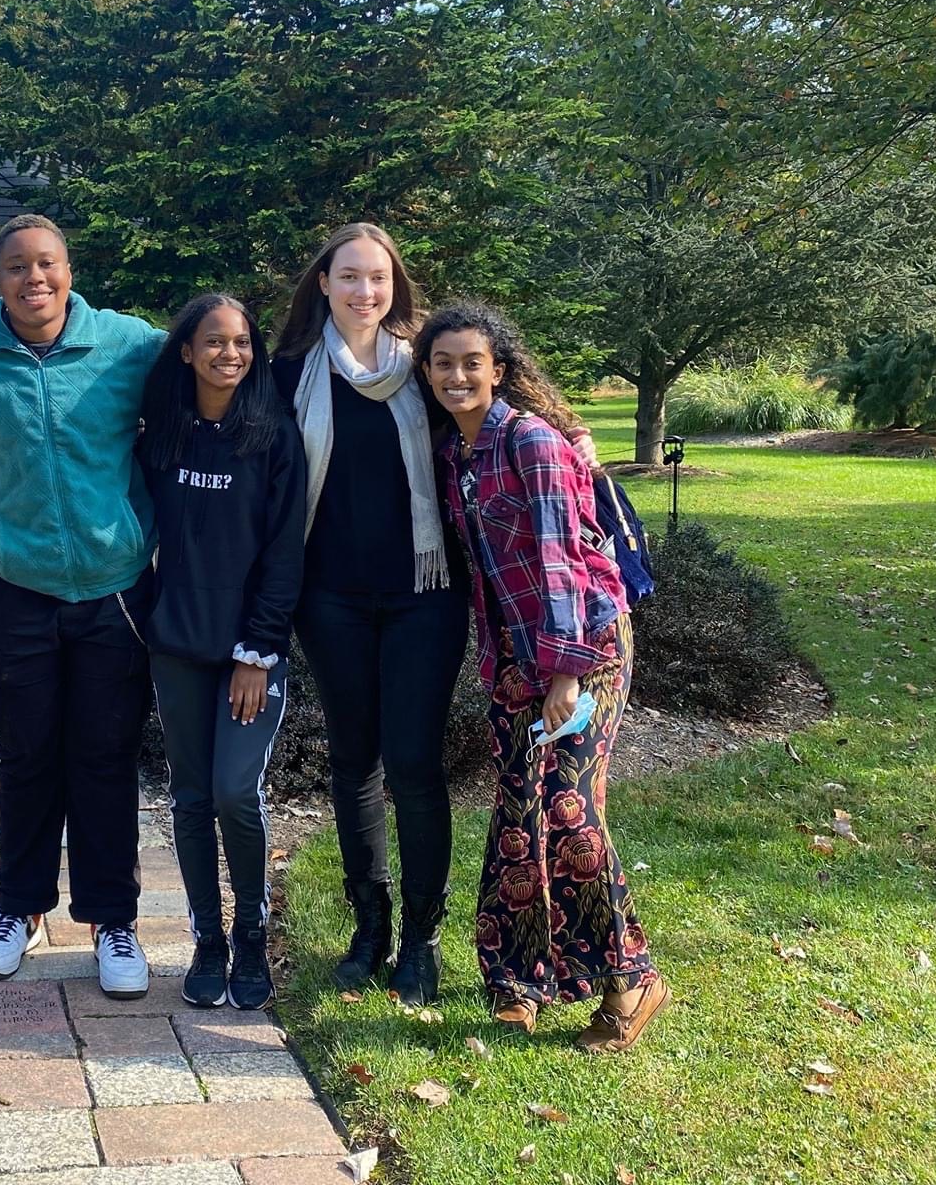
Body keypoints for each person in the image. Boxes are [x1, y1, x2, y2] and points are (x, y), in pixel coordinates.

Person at [0, 214, 168, 998]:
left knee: (103, 756)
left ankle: (113, 919)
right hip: (14, 590)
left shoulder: (131, 345)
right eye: (17, 267)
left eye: (47, 264)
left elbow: (217, 376)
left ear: (69, 269)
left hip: (114, 590)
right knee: (27, 757)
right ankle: (17, 911)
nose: (35, 279)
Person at [418, 300, 668, 1050]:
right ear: (427, 374)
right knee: (518, 813)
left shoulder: (529, 441)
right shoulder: (454, 453)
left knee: (569, 809)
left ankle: (633, 981)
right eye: (442, 364)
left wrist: (563, 672)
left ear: (499, 368)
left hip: (584, 648)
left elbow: (560, 561)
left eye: (472, 362)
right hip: (514, 657)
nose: (457, 376)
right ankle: (520, 980)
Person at [271, 223, 471, 1007]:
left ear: (396, 286)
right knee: (354, 762)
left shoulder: (425, 365)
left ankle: (421, 940)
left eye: (378, 279)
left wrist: (577, 432)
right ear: (323, 282)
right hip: (331, 597)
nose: (364, 292)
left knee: (416, 766)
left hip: (426, 594)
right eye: (349, 277)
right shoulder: (289, 370)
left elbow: (507, 391)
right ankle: (369, 927)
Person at [136, 294, 305, 1010]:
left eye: (241, 343)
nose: (229, 354)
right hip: (176, 647)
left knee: (237, 793)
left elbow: (284, 553)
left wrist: (256, 652)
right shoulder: (161, 436)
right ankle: (207, 938)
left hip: (248, 656)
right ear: (186, 351)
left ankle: (252, 935)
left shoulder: (272, 436)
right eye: (213, 342)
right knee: (191, 796)